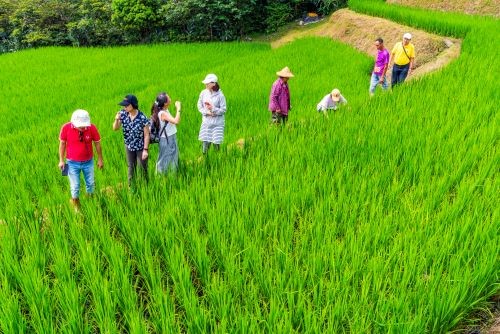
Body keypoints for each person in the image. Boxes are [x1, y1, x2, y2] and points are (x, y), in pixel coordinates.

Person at [58, 109, 103, 210]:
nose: (83, 127)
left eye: (84, 125)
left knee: (91, 183)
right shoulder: (66, 128)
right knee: (75, 186)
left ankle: (90, 201)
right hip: (72, 162)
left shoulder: (92, 128)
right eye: (80, 125)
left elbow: (97, 144)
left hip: (88, 162)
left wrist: (100, 159)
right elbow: (62, 144)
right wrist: (61, 160)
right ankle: (76, 206)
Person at [113, 94, 150, 189]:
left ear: (133, 105)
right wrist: (116, 119)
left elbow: (146, 135)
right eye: (124, 105)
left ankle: (145, 187)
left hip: (140, 147)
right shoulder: (122, 114)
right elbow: (115, 128)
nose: (124, 107)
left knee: (142, 168)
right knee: (131, 167)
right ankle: (131, 188)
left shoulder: (142, 117)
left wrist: (145, 150)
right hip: (129, 146)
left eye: (126, 105)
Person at [152, 92, 181, 173]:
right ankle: (160, 176)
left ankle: (171, 175)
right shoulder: (162, 113)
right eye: (169, 98)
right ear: (165, 103)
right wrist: (178, 108)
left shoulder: (164, 110)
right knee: (164, 157)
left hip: (170, 137)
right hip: (167, 139)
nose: (170, 98)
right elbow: (176, 121)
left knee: (172, 156)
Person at [198, 74, 226, 154]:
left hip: (217, 123)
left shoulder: (220, 95)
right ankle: (205, 160)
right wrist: (206, 112)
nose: (205, 84)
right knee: (205, 144)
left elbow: (223, 110)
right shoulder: (203, 93)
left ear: (213, 83)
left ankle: (217, 160)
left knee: (216, 144)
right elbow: (199, 105)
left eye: (207, 83)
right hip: (206, 123)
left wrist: (213, 109)